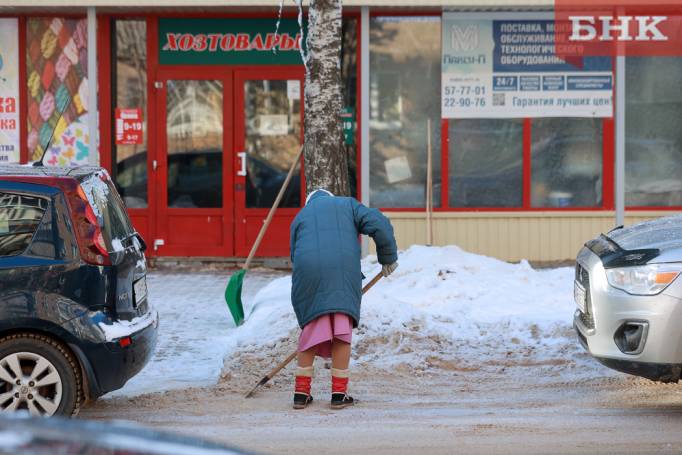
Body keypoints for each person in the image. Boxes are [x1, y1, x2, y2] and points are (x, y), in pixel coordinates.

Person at [289, 188, 398, 410]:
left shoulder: (300, 216)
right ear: (331, 198)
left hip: (308, 273)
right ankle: (339, 394)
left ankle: (301, 393)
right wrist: (387, 258)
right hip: (342, 271)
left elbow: (295, 254)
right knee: (341, 330)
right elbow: (379, 223)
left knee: (311, 326)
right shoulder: (348, 205)